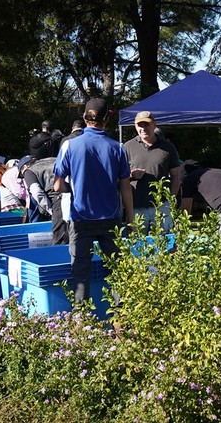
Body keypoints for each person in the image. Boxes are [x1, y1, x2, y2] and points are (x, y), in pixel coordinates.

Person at [54, 98, 134, 303]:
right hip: (111, 218)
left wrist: (75, 190)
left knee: (81, 274)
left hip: (81, 218)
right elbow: (125, 188)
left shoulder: (69, 146)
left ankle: (83, 324)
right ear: (107, 118)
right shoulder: (118, 148)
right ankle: (122, 323)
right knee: (117, 272)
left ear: (84, 117)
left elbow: (57, 186)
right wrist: (131, 220)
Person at [124, 111, 182, 232]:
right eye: (140, 125)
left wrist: (169, 202)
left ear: (154, 125)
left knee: (164, 245)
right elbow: (120, 177)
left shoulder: (168, 147)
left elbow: (176, 177)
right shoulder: (127, 147)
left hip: (161, 206)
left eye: (147, 125)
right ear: (135, 126)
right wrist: (131, 175)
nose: (143, 128)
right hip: (136, 207)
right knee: (138, 245)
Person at [23, 156, 66, 241]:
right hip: (79, 198)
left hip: (59, 202)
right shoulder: (53, 159)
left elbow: (37, 192)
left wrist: (50, 210)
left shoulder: (29, 171)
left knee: (61, 241)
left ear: (24, 167)